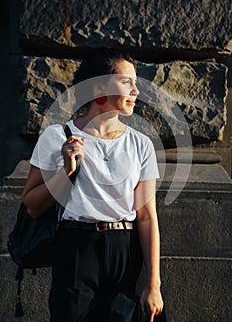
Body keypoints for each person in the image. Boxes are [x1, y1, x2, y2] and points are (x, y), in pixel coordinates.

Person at [22, 48, 164, 322]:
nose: (136, 91)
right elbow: (31, 205)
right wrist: (66, 170)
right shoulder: (57, 136)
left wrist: (152, 284)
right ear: (99, 87)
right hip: (76, 247)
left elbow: (146, 216)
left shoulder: (141, 144)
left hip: (125, 249)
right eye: (127, 82)